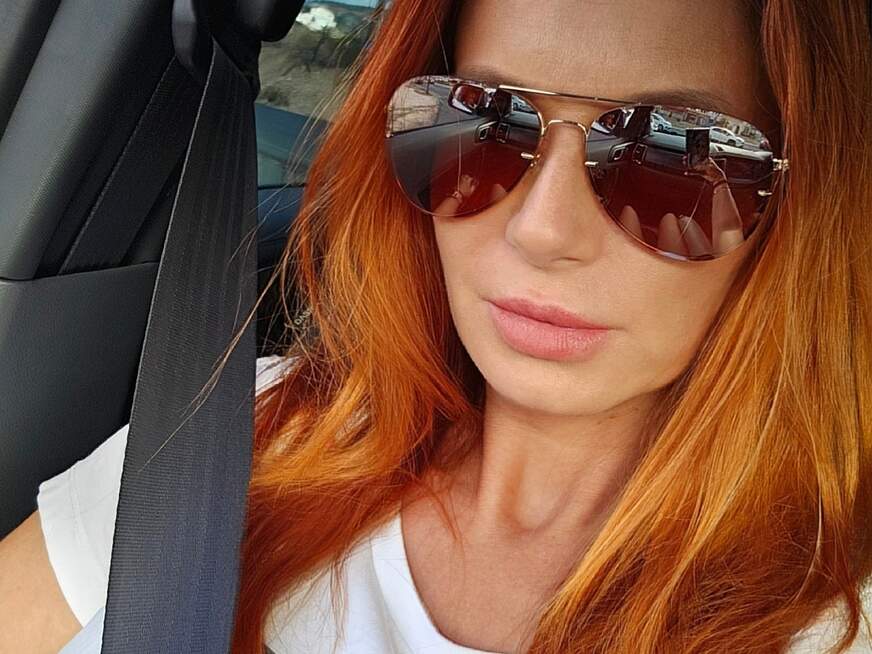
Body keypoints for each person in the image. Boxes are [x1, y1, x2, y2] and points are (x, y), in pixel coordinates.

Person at [2, 1, 872, 653]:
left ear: (807, 205)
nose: (542, 230)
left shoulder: (834, 616)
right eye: (480, 121)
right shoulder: (242, 433)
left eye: (676, 155)